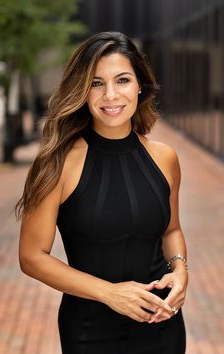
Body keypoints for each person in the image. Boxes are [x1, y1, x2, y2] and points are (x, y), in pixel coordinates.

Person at [16, 31, 188, 354]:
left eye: (122, 80)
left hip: (161, 324)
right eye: (96, 83)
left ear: (140, 85)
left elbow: (172, 230)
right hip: (89, 331)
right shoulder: (57, 163)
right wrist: (110, 293)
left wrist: (180, 271)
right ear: (82, 90)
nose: (110, 95)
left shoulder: (166, 158)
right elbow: (31, 256)